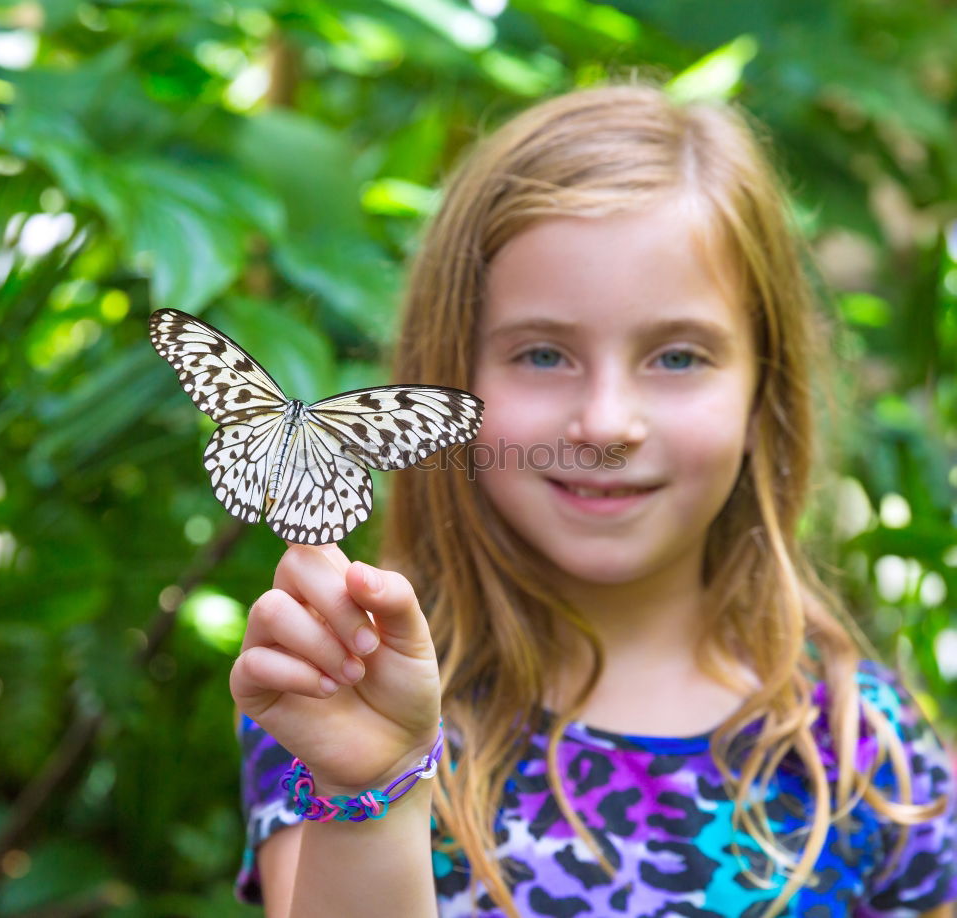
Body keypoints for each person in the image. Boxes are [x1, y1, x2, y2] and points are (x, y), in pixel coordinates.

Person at [229, 82, 957, 918]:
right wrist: (375, 788)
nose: (607, 423)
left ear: (765, 393)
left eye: (678, 358)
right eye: (542, 355)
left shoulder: (861, 745)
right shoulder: (355, 693)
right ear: (449, 380)